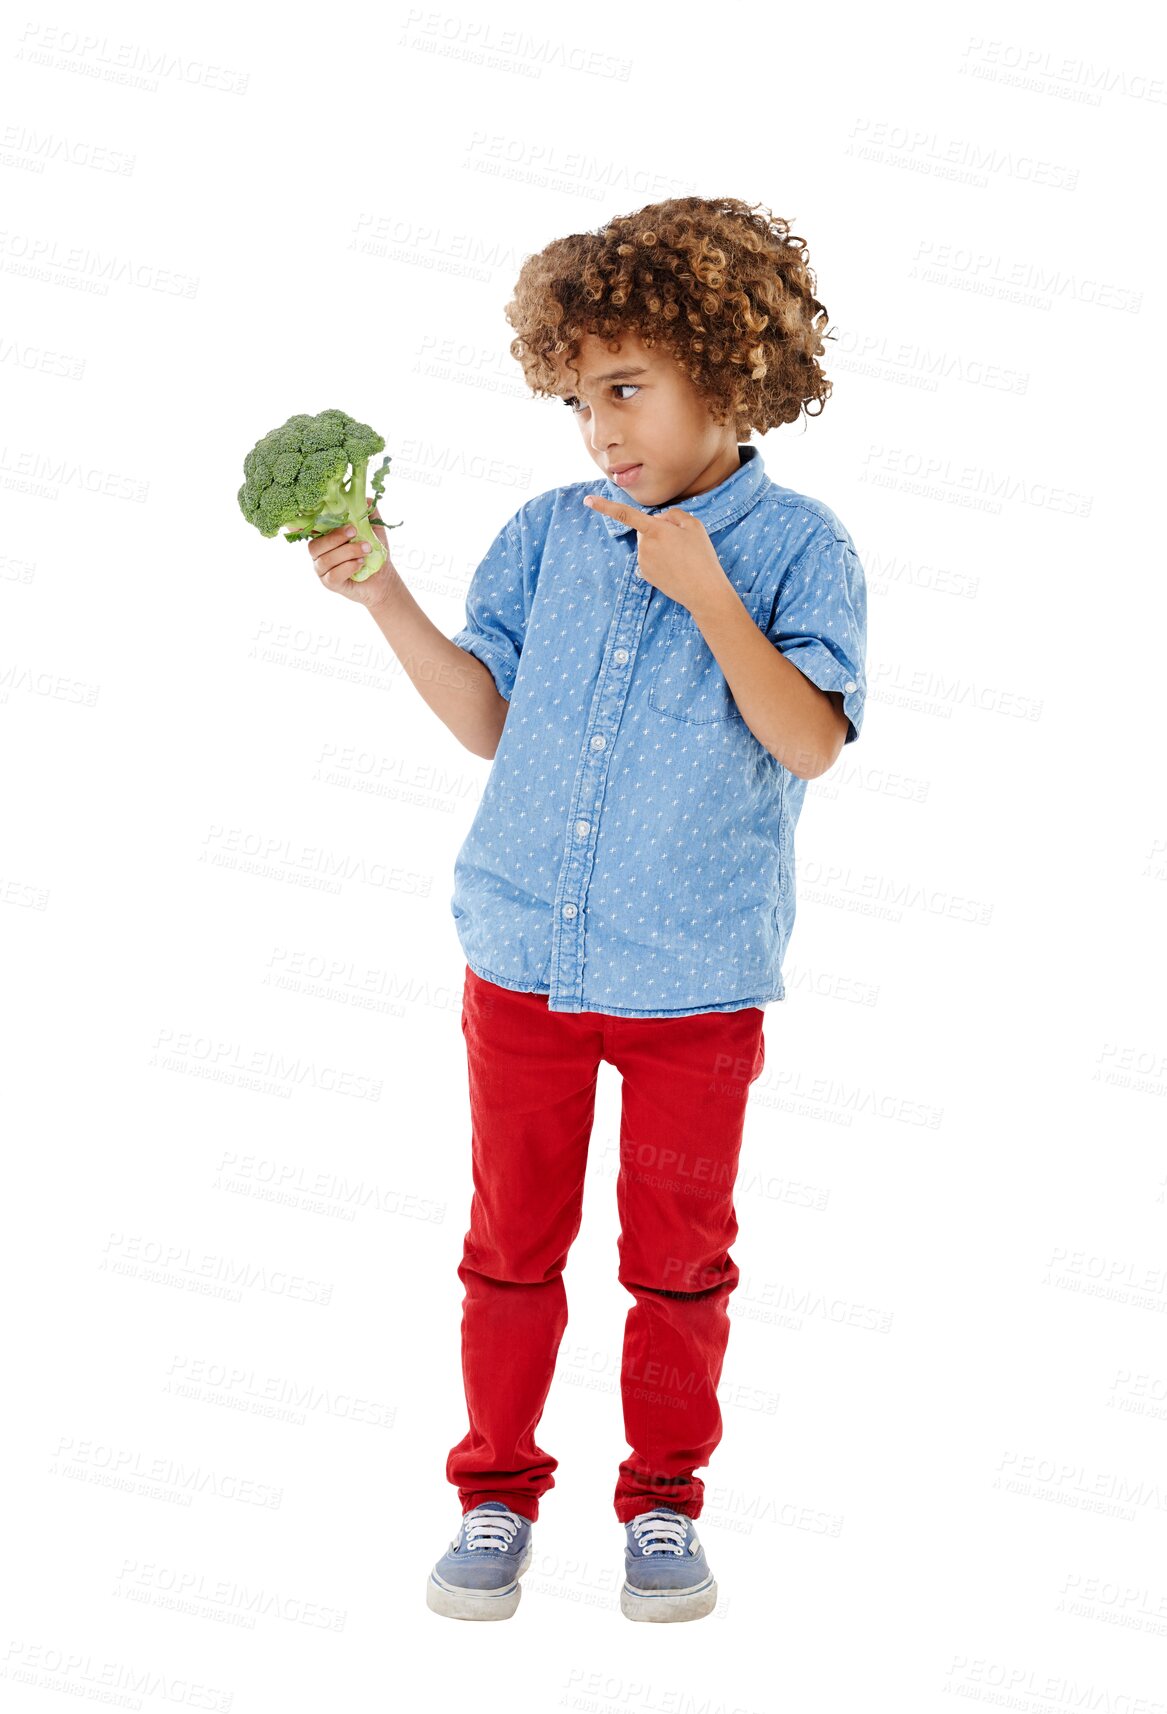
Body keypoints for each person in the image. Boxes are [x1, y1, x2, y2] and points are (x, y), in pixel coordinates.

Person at [306, 195, 868, 1625]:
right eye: (578, 398)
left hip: (696, 983)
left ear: (725, 373)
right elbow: (488, 719)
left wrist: (707, 594)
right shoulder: (547, 535)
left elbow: (808, 741)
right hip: (525, 962)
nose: (601, 429)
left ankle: (665, 1509)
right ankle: (494, 1491)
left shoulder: (801, 548)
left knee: (678, 1264)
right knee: (510, 1245)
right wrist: (384, 595)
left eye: (628, 389)